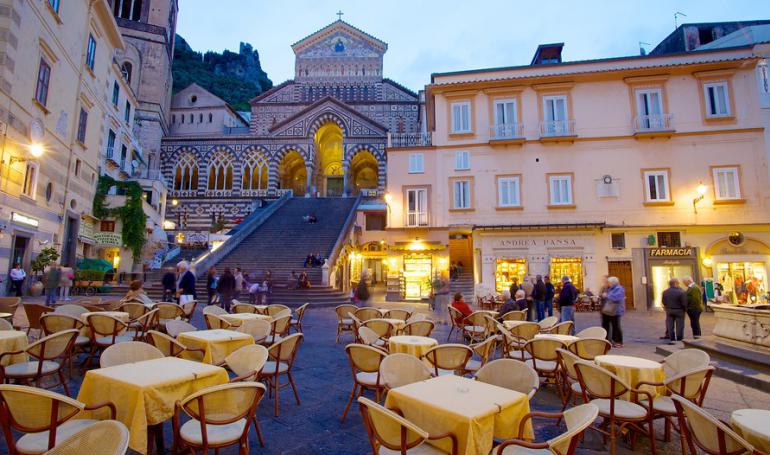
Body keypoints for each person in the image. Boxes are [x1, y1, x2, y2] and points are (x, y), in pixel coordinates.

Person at [662, 278, 687, 344]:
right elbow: (684, 303)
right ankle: (679, 339)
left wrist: (667, 307)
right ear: (676, 283)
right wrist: (685, 309)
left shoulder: (665, 292)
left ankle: (672, 339)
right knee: (680, 325)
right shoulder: (682, 292)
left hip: (669, 310)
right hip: (679, 310)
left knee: (670, 325)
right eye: (678, 283)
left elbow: (664, 301)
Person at [603, 276, 625, 348]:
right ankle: (611, 340)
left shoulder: (619, 288)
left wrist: (607, 295)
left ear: (613, 283)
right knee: (608, 325)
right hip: (610, 310)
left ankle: (619, 341)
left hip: (616, 310)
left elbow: (616, 298)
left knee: (616, 326)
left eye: (609, 282)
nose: (608, 284)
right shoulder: (611, 288)